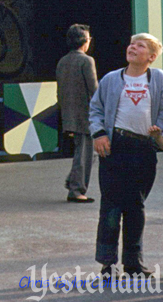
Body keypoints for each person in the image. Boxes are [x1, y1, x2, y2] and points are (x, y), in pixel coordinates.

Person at [89, 33, 163, 280]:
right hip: (115, 147)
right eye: (131, 44)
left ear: (151, 57)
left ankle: (133, 265)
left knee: (136, 208)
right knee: (111, 208)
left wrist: (159, 133)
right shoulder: (111, 79)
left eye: (140, 46)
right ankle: (108, 266)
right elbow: (96, 109)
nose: (132, 47)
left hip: (143, 150)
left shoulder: (159, 79)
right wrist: (99, 134)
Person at [57, 24, 97, 203]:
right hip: (85, 112)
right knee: (85, 152)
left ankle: (73, 181)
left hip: (68, 112)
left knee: (83, 151)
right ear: (84, 41)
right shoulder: (87, 61)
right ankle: (76, 189)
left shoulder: (62, 61)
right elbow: (94, 89)